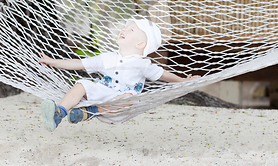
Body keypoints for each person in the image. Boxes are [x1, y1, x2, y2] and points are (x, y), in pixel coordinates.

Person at [39, 18, 200, 132]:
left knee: (128, 96)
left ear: (140, 44)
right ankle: (59, 113)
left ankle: (88, 112)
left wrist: (182, 81)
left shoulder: (141, 64)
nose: (124, 30)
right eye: (126, 28)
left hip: (119, 107)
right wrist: (53, 61)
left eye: (131, 30)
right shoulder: (108, 58)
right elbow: (78, 64)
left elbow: (162, 75)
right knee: (81, 84)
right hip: (102, 93)